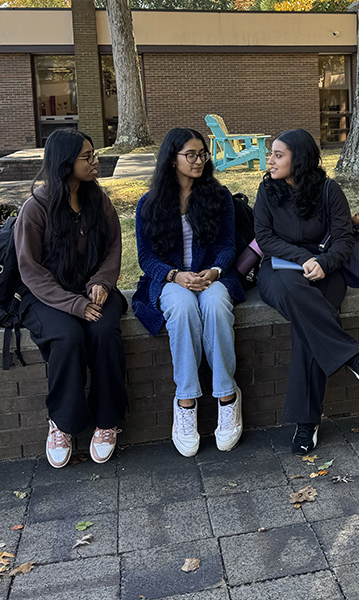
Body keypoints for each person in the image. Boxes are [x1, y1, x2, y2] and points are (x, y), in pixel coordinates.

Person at [254, 128, 359, 455]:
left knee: (306, 326)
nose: (270, 159)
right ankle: (351, 355)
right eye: (271, 153)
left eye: (278, 154)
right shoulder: (267, 190)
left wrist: (324, 262)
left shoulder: (329, 190)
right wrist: (302, 258)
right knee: (297, 295)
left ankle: (306, 422)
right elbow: (265, 239)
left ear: (300, 159)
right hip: (279, 269)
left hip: (327, 269)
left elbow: (344, 239)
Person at [14, 129, 128, 468]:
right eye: (87, 156)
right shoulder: (35, 209)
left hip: (94, 291)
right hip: (46, 297)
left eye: (94, 154)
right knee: (67, 336)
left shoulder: (98, 200)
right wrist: (74, 304)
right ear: (65, 163)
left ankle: (107, 421)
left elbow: (113, 247)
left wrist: (103, 282)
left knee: (105, 333)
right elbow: (30, 271)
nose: (95, 162)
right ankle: (62, 423)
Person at [133, 128, 246, 457]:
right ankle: (185, 402)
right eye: (191, 155)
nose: (199, 161)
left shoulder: (217, 196)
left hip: (213, 277)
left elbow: (227, 246)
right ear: (172, 159)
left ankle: (227, 396)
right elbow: (145, 258)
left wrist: (214, 271)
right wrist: (173, 275)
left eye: (203, 154)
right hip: (170, 281)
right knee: (181, 308)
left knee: (216, 304)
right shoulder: (149, 203)